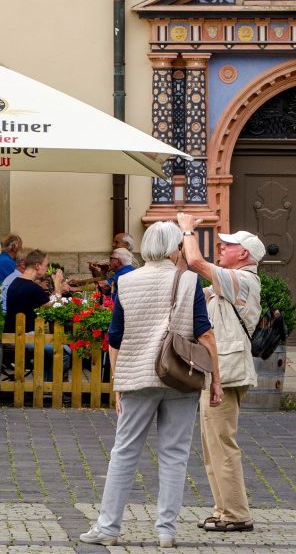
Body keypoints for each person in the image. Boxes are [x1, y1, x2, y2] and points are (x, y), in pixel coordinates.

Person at [80, 221, 223, 549]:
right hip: (180, 377)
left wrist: (117, 383)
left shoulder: (127, 281)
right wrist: (215, 379)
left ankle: (107, 527)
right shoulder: (189, 281)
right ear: (174, 247)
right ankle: (165, 531)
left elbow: (114, 337)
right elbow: (205, 334)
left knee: (124, 451)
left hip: (137, 376)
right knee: (175, 453)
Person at [177, 212, 264, 533]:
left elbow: (197, 263)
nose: (221, 248)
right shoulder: (227, 282)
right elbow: (190, 275)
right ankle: (225, 509)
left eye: (228, 246)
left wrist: (188, 232)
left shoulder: (241, 279)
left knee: (222, 443)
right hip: (221, 370)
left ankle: (236, 514)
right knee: (214, 444)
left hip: (226, 372)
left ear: (244, 254)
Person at [4, 249, 70, 382]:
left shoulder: (17, 283)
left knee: (49, 350)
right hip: (24, 337)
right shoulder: (30, 287)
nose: (47, 269)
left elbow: (45, 301)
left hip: (13, 335)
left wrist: (56, 291)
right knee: (64, 351)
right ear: (37, 266)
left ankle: (46, 387)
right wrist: (58, 284)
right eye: (46, 265)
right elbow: (52, 305)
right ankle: (54, 387)